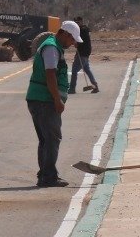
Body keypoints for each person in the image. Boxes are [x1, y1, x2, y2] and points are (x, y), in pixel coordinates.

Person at [25, 19, 81, 188]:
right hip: (45, 101)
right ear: (65, 34)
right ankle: (48, 177)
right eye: (72, 40)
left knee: (47, 139)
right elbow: (50, 74)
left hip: (41, 99)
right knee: (52, 139)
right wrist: (57, 99)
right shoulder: (51, 48)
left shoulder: (53, 46)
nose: (72, 44)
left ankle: (45, 174)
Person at [68, 13, 99, 94]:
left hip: (82, 53)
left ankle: (72, 88)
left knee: (74, 70)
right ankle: (95, 86)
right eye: (75, 22)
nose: (76, 24)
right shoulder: (84, 29)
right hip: (85, 52)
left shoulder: (82, 30)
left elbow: (81, 41)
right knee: (87, 69)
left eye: (78, 22)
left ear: (81, 22)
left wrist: (76, 43)